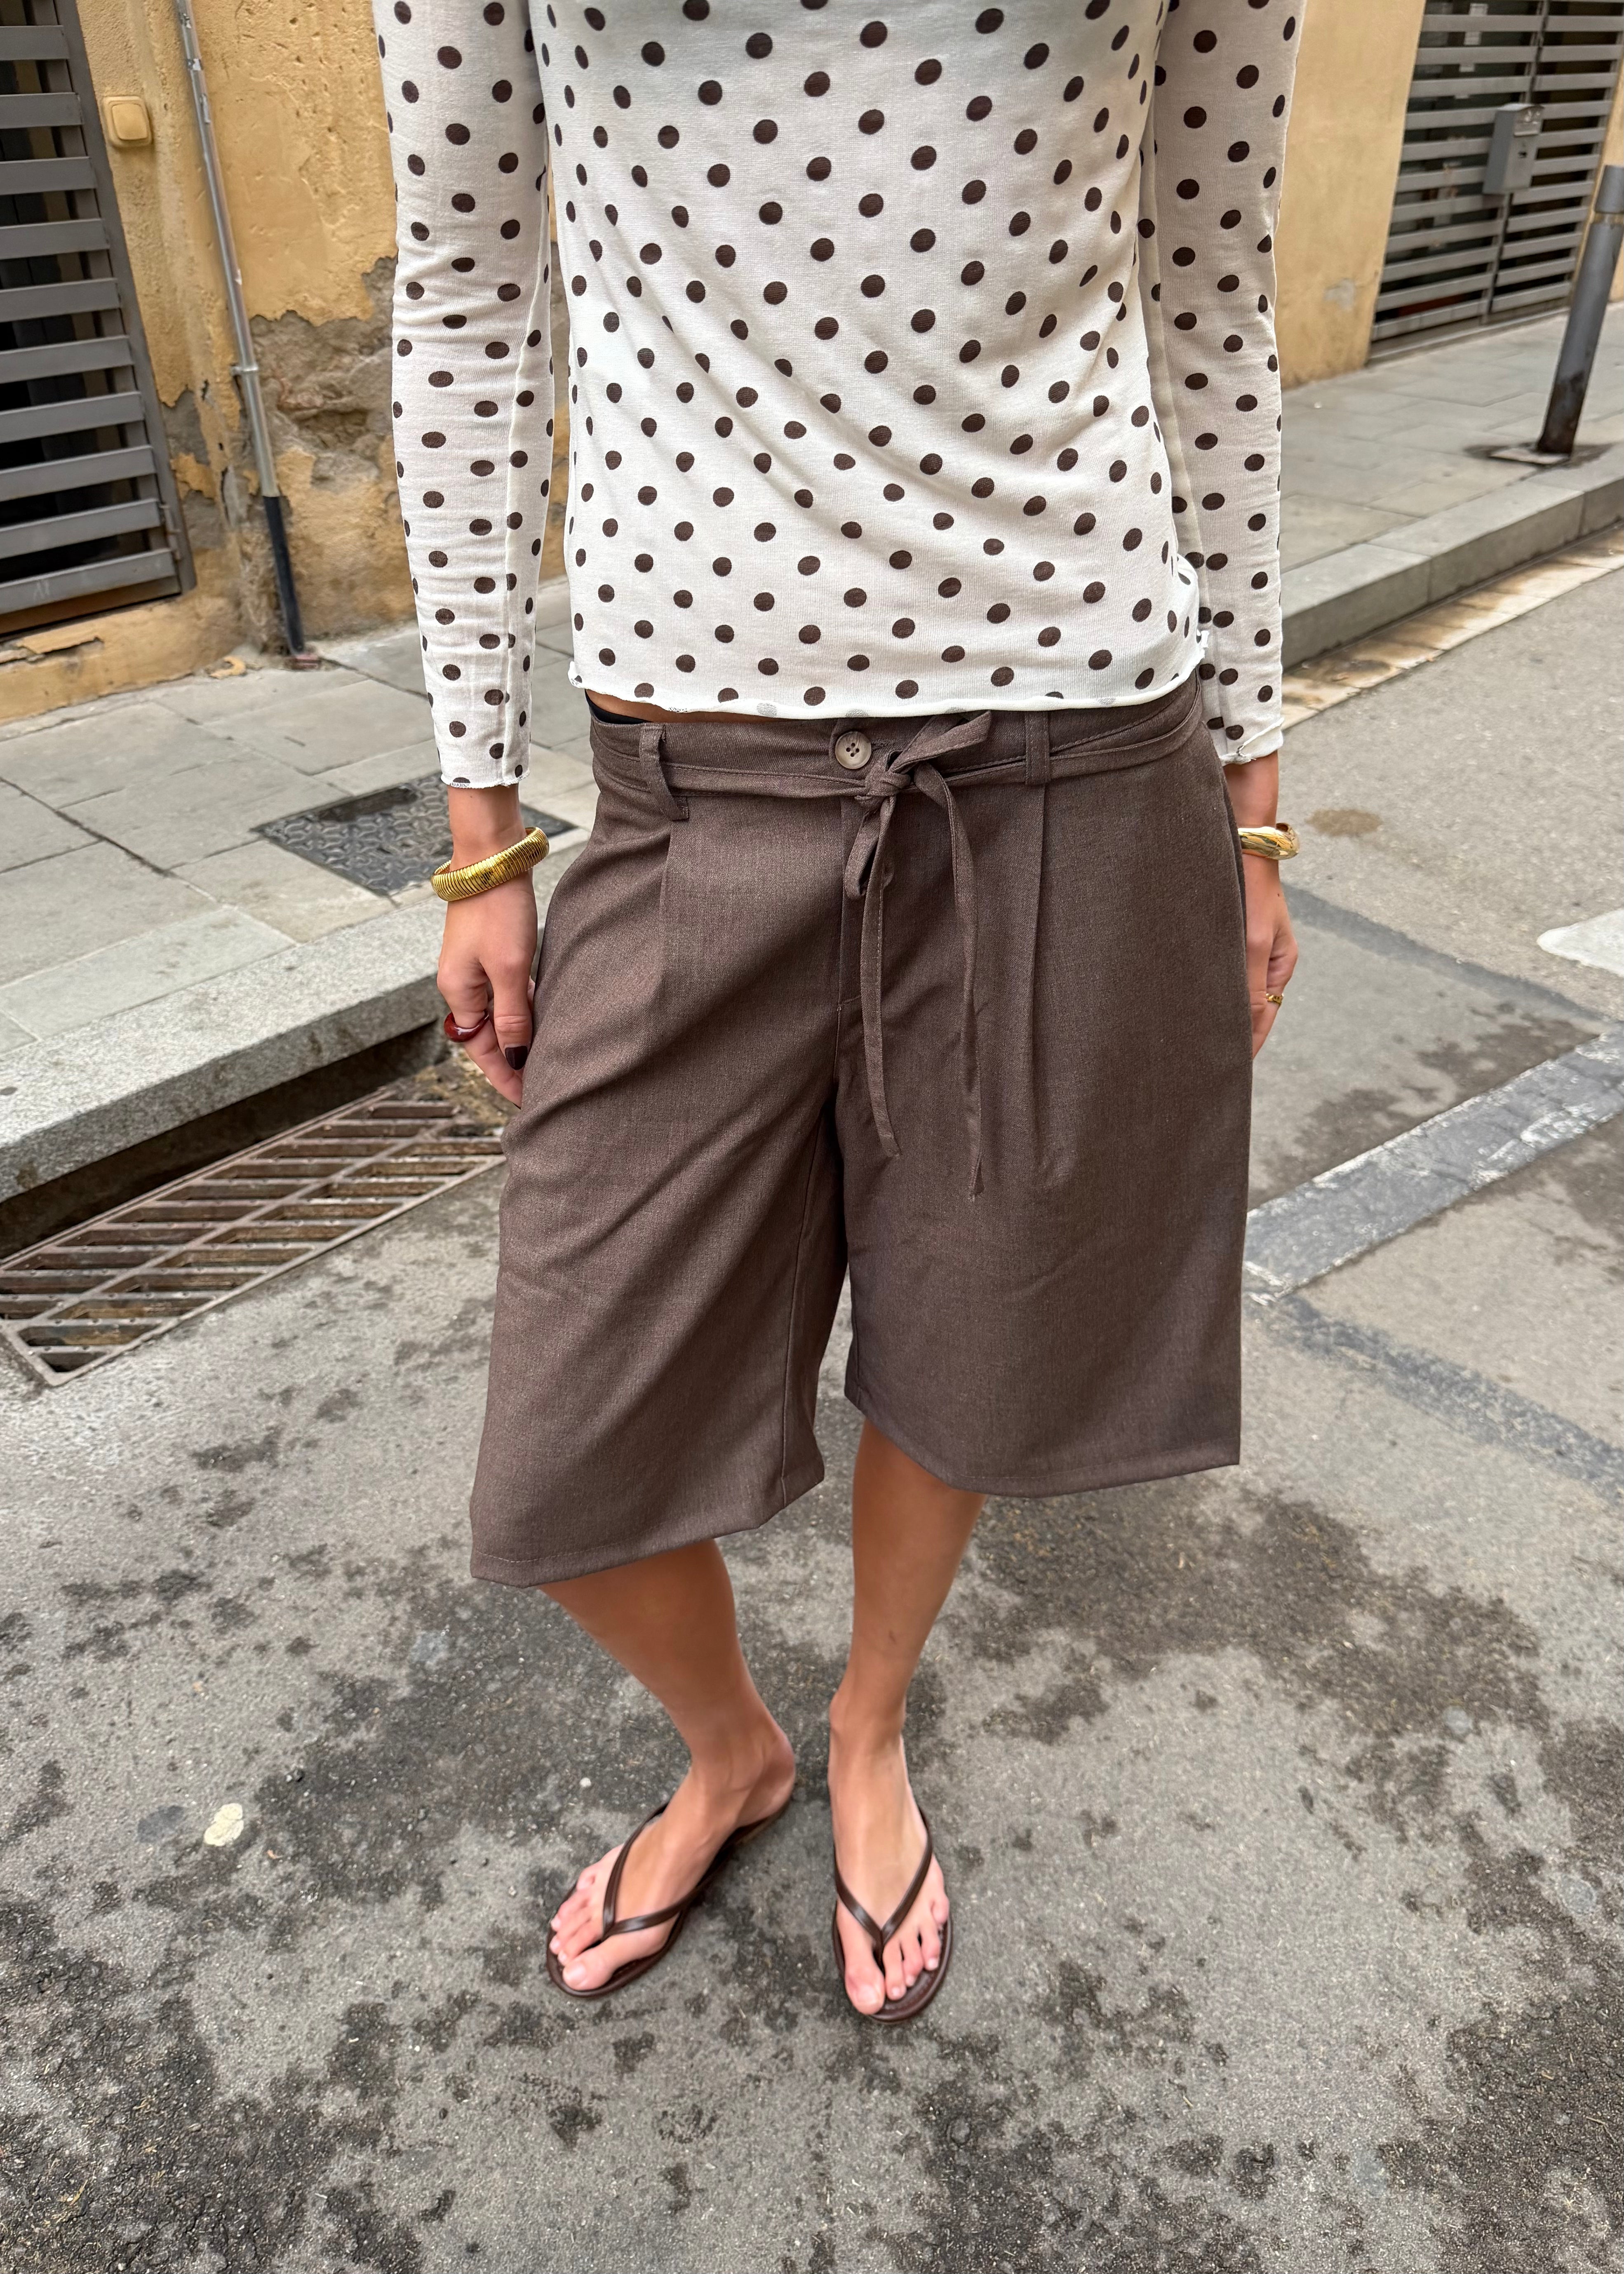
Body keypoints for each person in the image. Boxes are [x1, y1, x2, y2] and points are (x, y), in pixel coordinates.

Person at [372, 0, 1300, 2022]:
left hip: (1067, 753)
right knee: (567, 1437)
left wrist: (1250, 797)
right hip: (686, 780)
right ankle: (733, 1749)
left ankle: (865, 1729)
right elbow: (467, 298)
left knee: (972, 1341)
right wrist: (477, 824)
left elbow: (1207, 308)